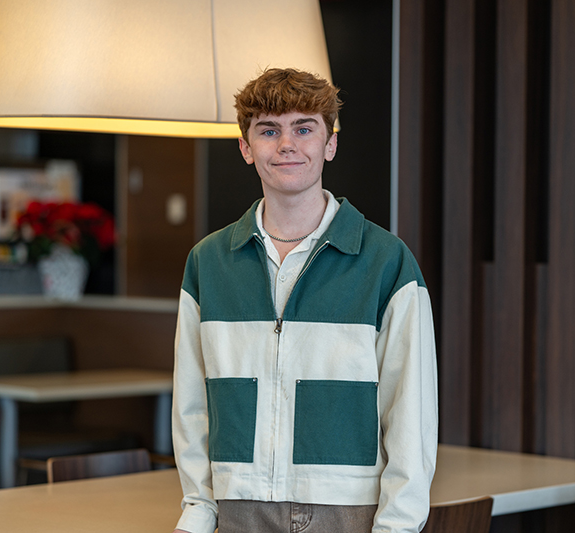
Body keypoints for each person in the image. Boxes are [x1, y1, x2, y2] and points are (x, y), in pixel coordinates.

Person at [171, 68, 438, 533]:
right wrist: (198, 511)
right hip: (238, 508)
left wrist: (398, 525)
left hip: (350, 513)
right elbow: (192, 405)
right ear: (245, 147)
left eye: (304, 128)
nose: (287, 144)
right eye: (269, 130)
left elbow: (410, 412)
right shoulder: (208, 262)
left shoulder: (385, 263)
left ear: (330, 144)